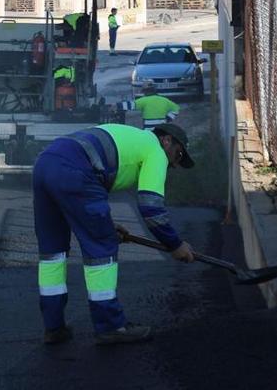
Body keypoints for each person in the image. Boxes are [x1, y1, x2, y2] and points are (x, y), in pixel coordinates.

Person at [32, 123, 196, 345]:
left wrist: (108, 225)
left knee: (52, 251)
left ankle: (53, 327)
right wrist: (175, 244)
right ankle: (111, 326)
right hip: (76, 170)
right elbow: (151, 208)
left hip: (45, 163)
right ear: (166, 140)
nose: (174, 164)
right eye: (178, 155)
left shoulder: (132, 137)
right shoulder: (155, 151)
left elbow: (89, 194)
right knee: (101, 250)